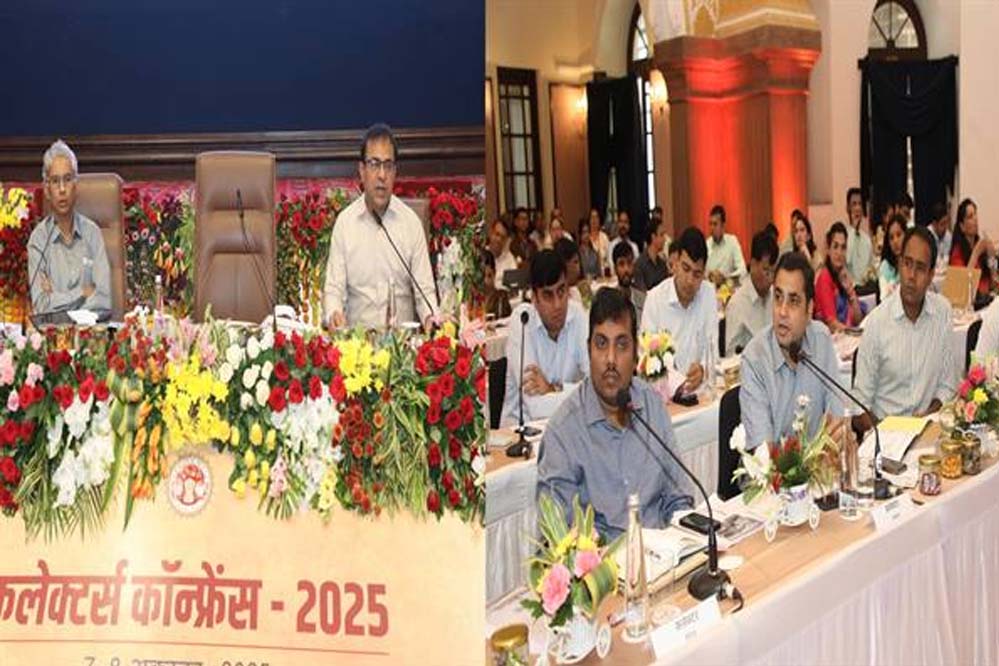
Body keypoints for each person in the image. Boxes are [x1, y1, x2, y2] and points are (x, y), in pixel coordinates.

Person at [536, 287, 693, 538]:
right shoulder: (562, 433)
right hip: (602, 561)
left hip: (664, 555)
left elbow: (679, 498)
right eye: (601, 344)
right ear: (588, 350)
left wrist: (680, 540)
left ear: (635, 355)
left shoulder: (652, 407)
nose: (610, 359)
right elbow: (558, 537)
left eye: (621, 345)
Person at [854, 227, 957, 428]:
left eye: (920, 268)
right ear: (899, 264)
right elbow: (859, 406)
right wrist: (887, 432)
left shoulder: (942, 313)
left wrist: (927, 418)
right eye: (907, 264)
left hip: (928, 430)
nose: (911, 276)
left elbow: (947, 386)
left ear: (931, 275)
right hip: (884, 433)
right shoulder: (877, 323)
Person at [739, 252, 844, 450]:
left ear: (809, 309)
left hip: (819, 467)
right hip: (774, 470)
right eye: (778, 298)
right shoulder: (754, 360)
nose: (782, 311)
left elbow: (837, 424)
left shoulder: (821, 340)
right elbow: (765, 456)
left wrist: (837, 439)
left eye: (794, 301)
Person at [501, 250, 589, 427]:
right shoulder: (522, 321)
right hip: (519, 433)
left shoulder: (578, 315)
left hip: (566, 427)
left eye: (561, 291)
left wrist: (553, 388)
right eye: (548, 295)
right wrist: (580, 393)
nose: (558, 304)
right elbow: (535, 407)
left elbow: (597, 387)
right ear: (534, 298)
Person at [27, 140, 112, 320]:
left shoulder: (93, 234)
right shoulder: (38, 240)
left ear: (76, 185)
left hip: (91, 333)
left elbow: (103, 301)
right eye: (55, 181)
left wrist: (58, 303)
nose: (62, 189)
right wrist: (83, 292)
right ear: (47, 190)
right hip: (53, 335)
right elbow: (41, 305)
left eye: (67, 179)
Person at [640, 227, 718, 394]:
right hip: (664, 397)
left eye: (697, 274)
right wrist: (677, 383)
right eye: (685, 268)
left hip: (700, 395)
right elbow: (649, 362)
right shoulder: (655, 299)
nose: (690, 281)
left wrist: (703, 369)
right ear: (675, 264)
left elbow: (713, 350)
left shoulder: (708, 294)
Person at [725, 231, 778, 354]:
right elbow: (731, 356)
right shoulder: (737, 304)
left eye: (773, 271)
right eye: (766, 271)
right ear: (753, 264)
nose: (771, 278)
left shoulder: (776, 298)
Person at [814, 222, 865, 333]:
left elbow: (858, 319)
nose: (839, 253)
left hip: (846, 336)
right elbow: (832, 324)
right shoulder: (824, 277)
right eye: (835, 246)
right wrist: (855, 332)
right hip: (829, 339)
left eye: (843, 247)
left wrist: (850, 292)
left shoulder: (843, 276)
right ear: (828, 249)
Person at [950, 198, 994, 300]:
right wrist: (976, 252)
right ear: (962, 226)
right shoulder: (957, 252)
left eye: (975, 214)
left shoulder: (981, 246)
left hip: (987, 298)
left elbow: (993, 282)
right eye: (970, 216)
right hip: (971, 302)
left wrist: (991, 256)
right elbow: (962, 289)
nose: (975, 219)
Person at [705, 204, 747, 286]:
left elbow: (743, 271)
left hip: (729, 288)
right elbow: (702, 272)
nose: (712, 228)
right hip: (710, 288)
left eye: (715, 224)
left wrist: (725, 279)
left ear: (723, 226)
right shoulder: (707, 244)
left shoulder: (732, 242)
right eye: (710, 224)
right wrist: (710, 275)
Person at [845, 187, 875, 286]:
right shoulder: (844, 235)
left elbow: (871, 267)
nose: (857, 208)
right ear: (848, 208)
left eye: (860, 204)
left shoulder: (867, 239)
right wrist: (853, 229)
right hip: (849, 289)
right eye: (854, 204)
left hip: (866, 289)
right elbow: (847, 260)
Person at [634, 217, 669, 292]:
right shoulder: (640, 264)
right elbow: (641, 293)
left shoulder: (662, 264)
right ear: (653, 237)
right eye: (661, 235)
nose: (665, 239)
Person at [878, 214, 908, 301]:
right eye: (891, 238)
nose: (895, 241)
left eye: (899, 235)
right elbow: (884, 298)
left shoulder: (912, 262)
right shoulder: (885, 266)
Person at [488, 219, 518, 290]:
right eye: (497, 234)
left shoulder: (509, 259)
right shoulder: (481, 255)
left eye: (503, 237)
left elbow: (514, 286)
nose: (499, 240)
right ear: (490, 233)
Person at [606, 210, 639, 275]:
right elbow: (611, 267)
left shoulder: (634, 247)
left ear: (629, 225)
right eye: (621, 222)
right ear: (617, 224)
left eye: (625, 222)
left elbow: (636, 268)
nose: (623, 225)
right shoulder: (611, 245)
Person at [481, 251, 512, 319]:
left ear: (495, 273)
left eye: (489, 276)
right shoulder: (472, 301)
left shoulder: (501, 298)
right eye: (482, 277)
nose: (486, 281)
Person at [553, 237, 583, 303]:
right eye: (575, 262)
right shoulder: (553, 301)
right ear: (564, 264)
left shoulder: (575, 293)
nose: (579, 268)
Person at [927, 201, 952, 271]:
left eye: (947, 223)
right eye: (942, 224)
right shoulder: (927, 237)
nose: (945, 227)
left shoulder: (948, 236)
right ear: (934, 224)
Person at [585, 208, 611, 275]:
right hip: (590, 273)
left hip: (604, 272)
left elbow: (609, 258)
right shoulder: (586, 238)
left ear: (599, 220)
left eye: (596, 217)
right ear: (589, 220)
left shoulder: (604, 237)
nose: (594, 220)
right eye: (592, 217)